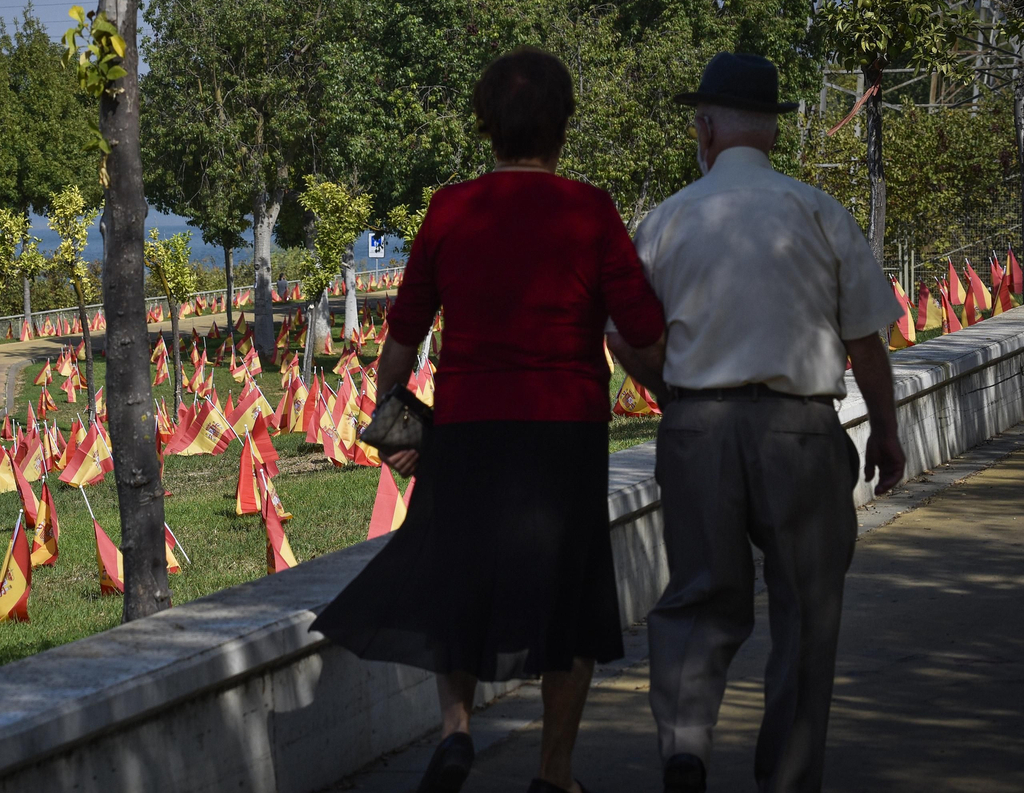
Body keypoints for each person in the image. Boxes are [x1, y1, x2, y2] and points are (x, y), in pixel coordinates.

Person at [312, 47, 667, 793]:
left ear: (486, 127)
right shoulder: (591, 210)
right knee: (567, 598)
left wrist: (392, 424)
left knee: (458, 576)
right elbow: (642, 329)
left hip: (469, 427)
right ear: (562, 126)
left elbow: (400, 342)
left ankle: (455, 731)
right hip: (565, 430)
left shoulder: (450, 209)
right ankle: (554, 773)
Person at [607, 52, 906, 793]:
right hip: (800, 433)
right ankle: (787, 775)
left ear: (707, 128)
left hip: (697, 431)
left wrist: (672, 392)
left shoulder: (668, 219)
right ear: (770, 131)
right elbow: (867, 341)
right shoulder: (816, 210)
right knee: (808, 611)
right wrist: (889, 434)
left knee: (699, 597)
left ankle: (685, 747)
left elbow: (622, 334)